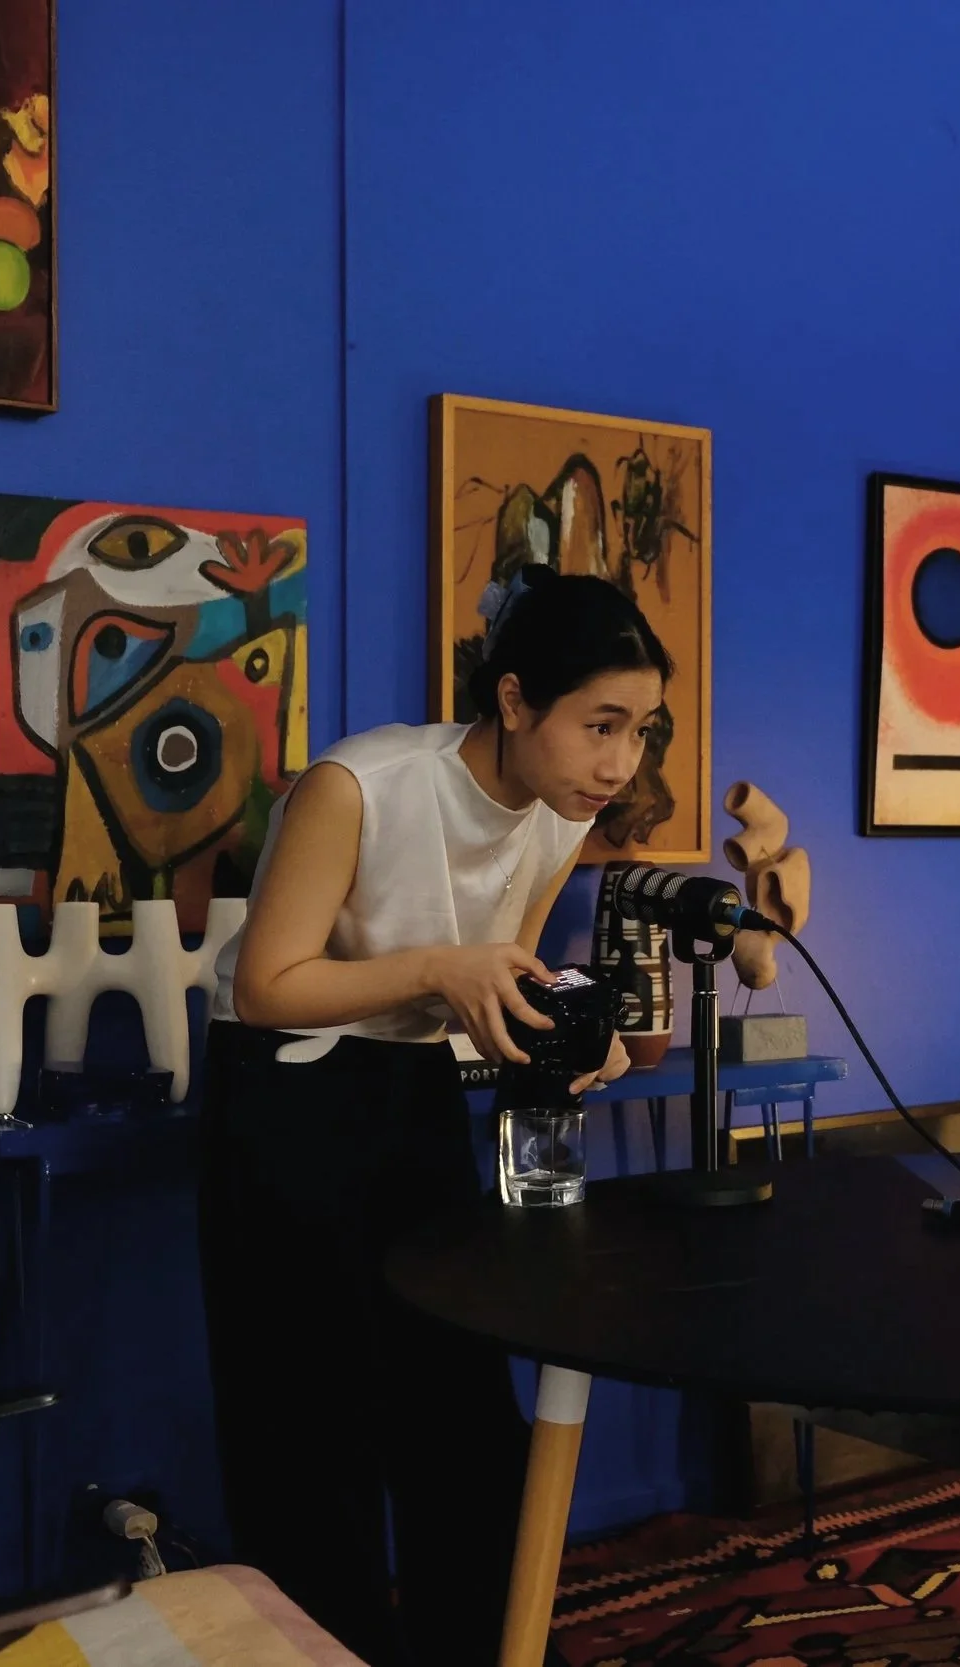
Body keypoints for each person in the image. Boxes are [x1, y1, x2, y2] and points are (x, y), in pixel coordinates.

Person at [198, 567, 658, 1664]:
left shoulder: (557, 818)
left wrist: (565, 1036)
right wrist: (444, 971)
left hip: (410, 1095)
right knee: (310, 1436)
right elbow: (268, 984)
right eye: (600, 724)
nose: (620, 763)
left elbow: (499, 977)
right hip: (284, 1093)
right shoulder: (359, 783)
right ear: (512, 700)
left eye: (641, 729)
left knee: (460, 1417)